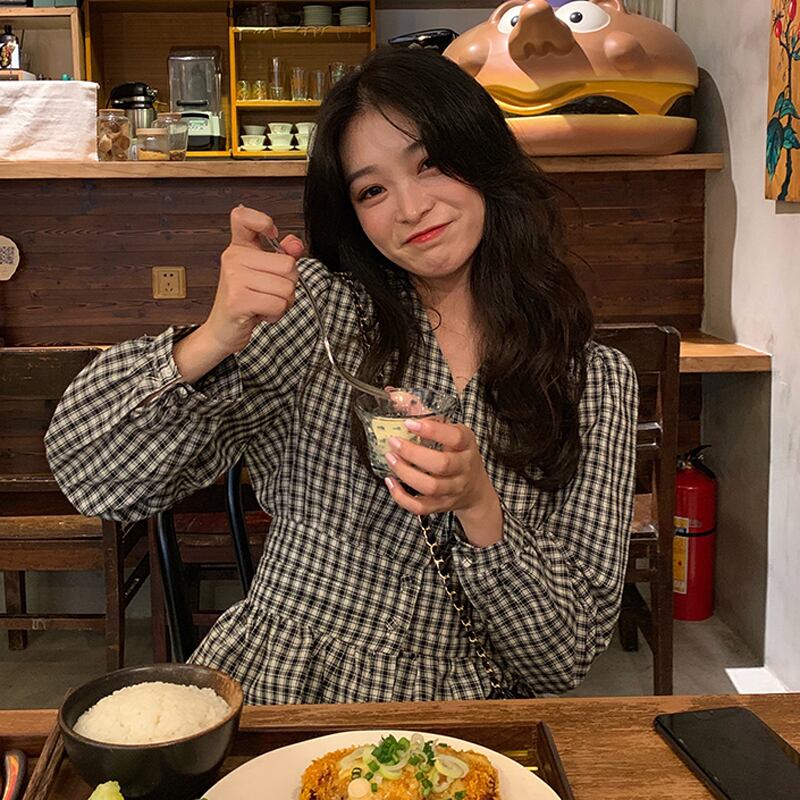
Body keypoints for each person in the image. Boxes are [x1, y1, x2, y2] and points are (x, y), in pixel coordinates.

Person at [45, 46, 638, 703]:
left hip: (461, 709)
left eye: (430, 163)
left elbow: (565, 660)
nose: (410, 207)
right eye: (372, 190)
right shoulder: (319, 312)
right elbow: (92, 475)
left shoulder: (594, 380)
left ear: (484, 159)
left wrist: (479, 505)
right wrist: (213, 336)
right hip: (282, 685)